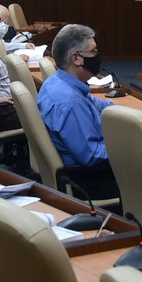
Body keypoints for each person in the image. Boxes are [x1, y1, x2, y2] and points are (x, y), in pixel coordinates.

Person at [36, 24, 119, 199]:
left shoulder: (57, 82)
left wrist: (126, 116)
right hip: (89, 180)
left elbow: (95, 104)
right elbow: (92, 156)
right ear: (76, 58)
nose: (97, 56)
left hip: (83, 169)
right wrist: (134, 147)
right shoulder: (70, 102)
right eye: (93, 51)